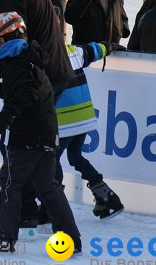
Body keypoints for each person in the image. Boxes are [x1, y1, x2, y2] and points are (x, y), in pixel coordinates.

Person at [0, 12, 81, 253]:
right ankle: (71, 240)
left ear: (4, 39)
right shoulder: (29, 58)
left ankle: (4, 237)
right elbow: (27, 90)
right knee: (48, 188)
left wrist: (3, 117)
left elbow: (26, 94)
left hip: (26, 135)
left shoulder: (16, 64)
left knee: (10, 183)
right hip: (46, 133)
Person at [53, 39, 123, 219]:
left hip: (64, 120)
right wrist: (112, 46)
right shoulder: (74, 52)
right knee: (75, 157)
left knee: (51, 159)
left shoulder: (46, 58)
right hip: (84, 117)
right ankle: (107, 198)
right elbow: (97, 49)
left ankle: (52, 205)